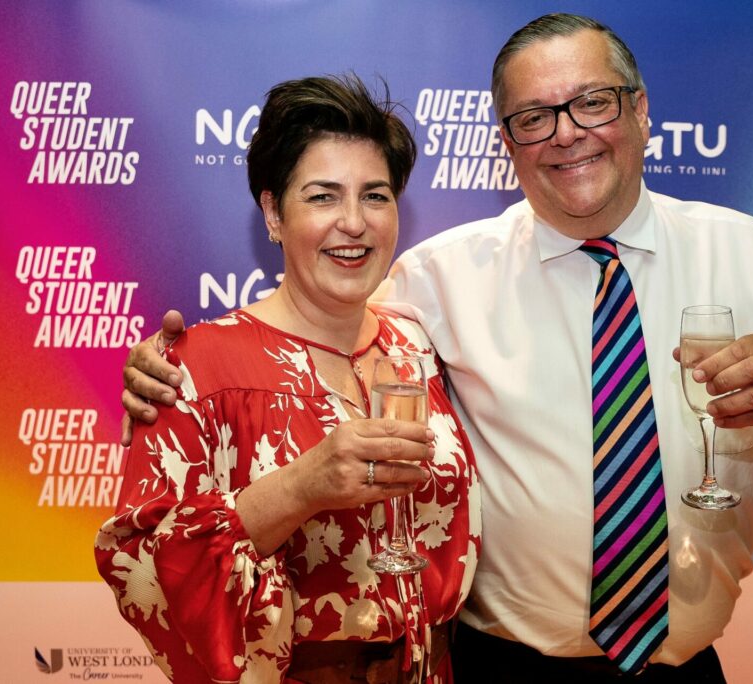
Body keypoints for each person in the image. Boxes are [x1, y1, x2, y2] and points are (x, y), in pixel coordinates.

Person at [120, 14, 753, 683]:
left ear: (641, 110)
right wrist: (160, 370)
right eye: (533, 117)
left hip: (681, 666)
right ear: (506, 140)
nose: (566, 132)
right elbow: (305, 331)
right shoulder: (433, 280)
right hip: (497, 666)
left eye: (592, 102)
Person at [96, 74, 480, 684]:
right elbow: (150, 571)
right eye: (323, 197)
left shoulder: (420, 347)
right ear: (273, 213)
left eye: (375, 196)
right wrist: (302, 487)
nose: (354, 222)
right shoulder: (193, 368)